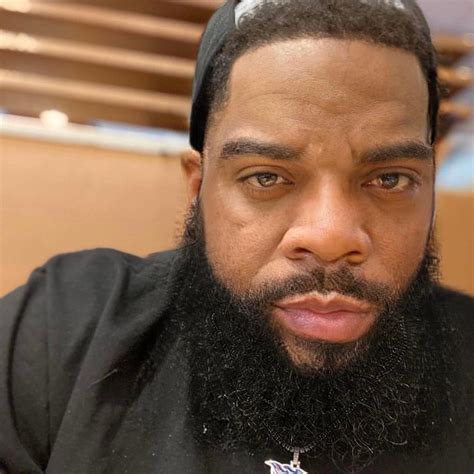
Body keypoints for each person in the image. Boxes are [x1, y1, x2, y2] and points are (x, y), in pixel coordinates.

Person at [1, 0, 473, 473]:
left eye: (390, 180)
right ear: (197, 188)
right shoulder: (65, 331)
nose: (330, 236)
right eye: (266, 177)